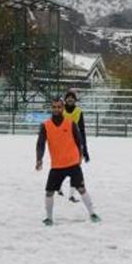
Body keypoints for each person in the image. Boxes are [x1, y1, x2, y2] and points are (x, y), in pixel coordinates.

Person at [36, 98, 100, 226]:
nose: (56, 109)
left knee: (81, 188)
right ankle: (49, 218)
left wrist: (80, 156)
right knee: (49, 191)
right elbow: (40, 144)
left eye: (59, 107)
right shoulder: (45, 126)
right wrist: (39, 159)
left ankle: (92, 213)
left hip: (72, 163)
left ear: (63, 108)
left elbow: (79, 141)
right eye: (54, 107)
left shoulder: (70, 124)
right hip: (57, 165)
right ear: (51, 108)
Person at [59, 90, 90, 203]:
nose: (70, 99)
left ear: (75, 99)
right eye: (68, 97)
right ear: (65, 99)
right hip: (63, 143)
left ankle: (71, 195)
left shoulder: (78, 111)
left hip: (75, 144)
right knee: (60, 168)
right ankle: (59, 187)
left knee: (75, 169)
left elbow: (82, 130)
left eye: (72, 97)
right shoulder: (61, 110)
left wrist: (85, 150)